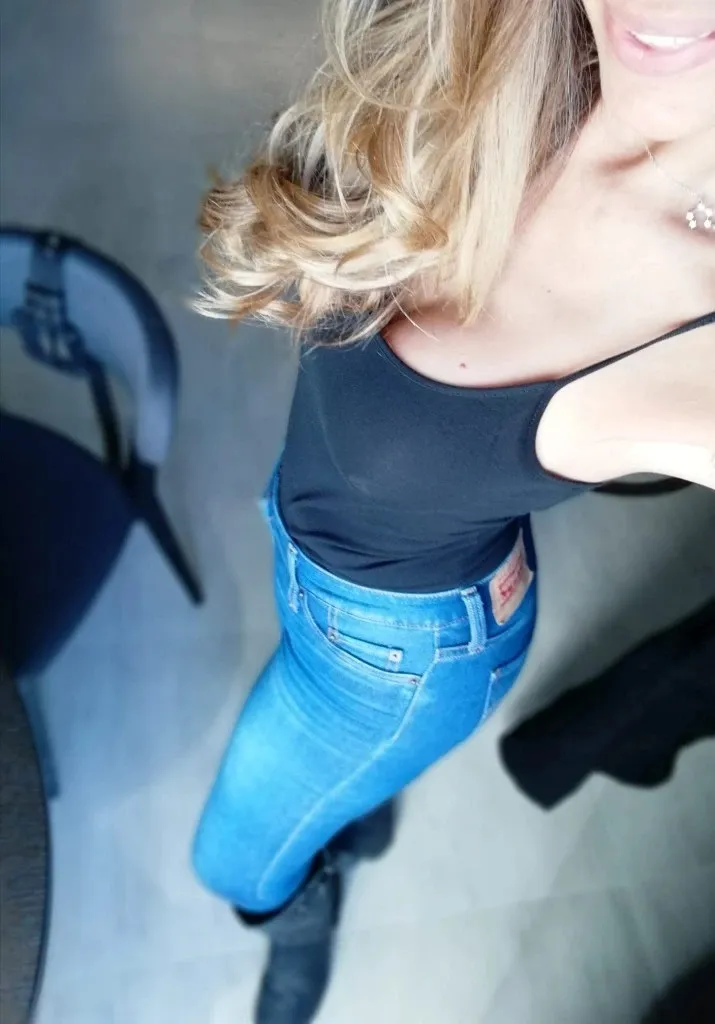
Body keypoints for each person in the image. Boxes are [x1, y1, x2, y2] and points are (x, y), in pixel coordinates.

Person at [192, 1, 715, 1021]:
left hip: (399, 657)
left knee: (232, 859)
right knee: (322, 775)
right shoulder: (515, 52)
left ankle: (298, 913)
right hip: (318, 552)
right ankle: (351, 810)